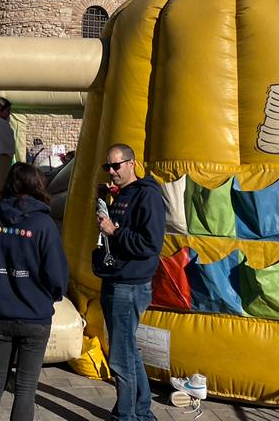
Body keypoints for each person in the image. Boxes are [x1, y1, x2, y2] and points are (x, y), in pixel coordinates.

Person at [0, 163, 68, 421]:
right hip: (35, 315)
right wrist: (51, 294)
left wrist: (0, 282)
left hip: (2, 313)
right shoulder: (43, 224)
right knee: (26, 389)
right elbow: (56, 273)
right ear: (37, 184)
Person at [93, 143, 166, 421]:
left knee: (120, 359)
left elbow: (150, 244)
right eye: (107, 167)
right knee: (129, 351)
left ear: (131, 163)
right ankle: (142, 410)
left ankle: (126, 415)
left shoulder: (147, 196)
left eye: (116, 166)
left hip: (129, 285)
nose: (111, 172)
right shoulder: (123, 194)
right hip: (116, 280)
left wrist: (115, 230)